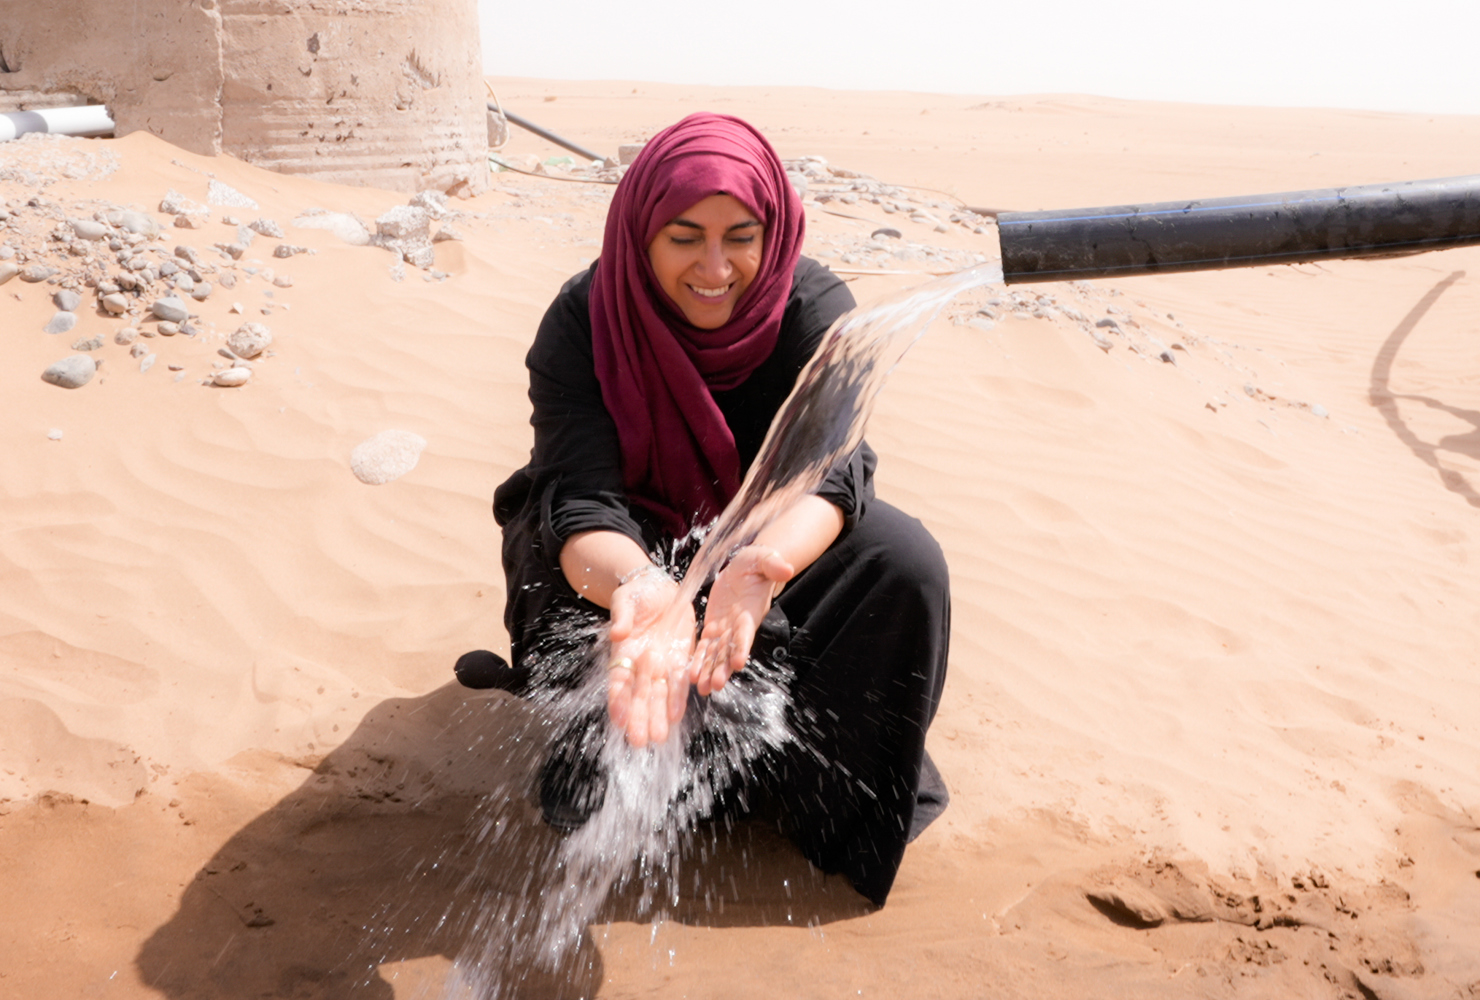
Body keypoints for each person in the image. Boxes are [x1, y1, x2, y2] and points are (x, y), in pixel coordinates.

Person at [480, 112, 951, 907]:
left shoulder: (811, 308)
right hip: (618, 550)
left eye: (740, 237)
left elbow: (832, 469)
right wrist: (643, 590)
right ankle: (612, 735)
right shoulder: (586, 318)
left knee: (900, 559)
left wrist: (764, 565)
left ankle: (820, 788)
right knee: (560, 580)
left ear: (774, 233)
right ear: (641, 235)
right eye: (683, 237)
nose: (714, 267)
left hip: (761, 542)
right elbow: (582, 496)